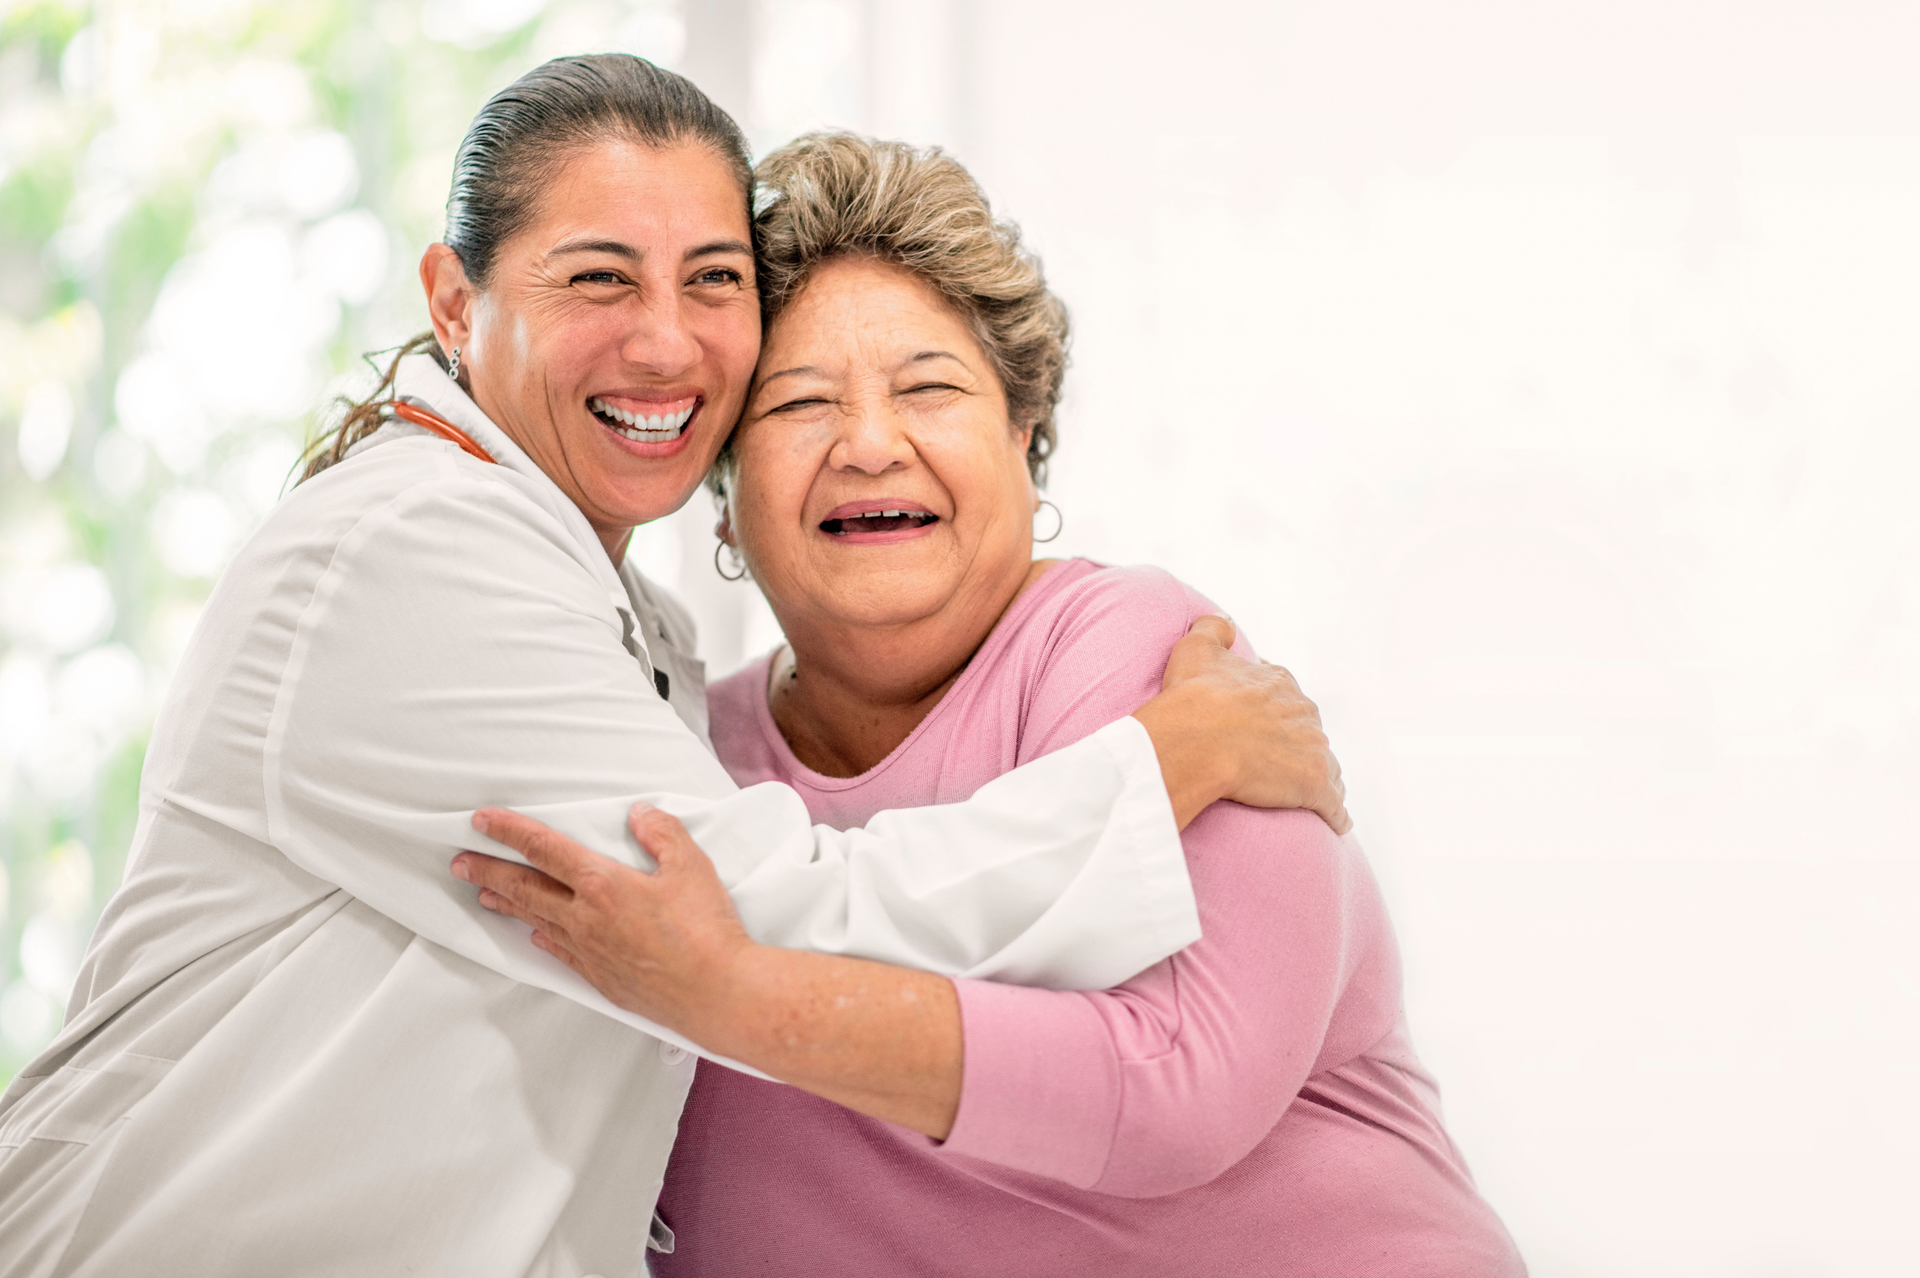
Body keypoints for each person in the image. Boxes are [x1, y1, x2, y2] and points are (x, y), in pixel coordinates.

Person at [0, 57, 1347, 1278]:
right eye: (599, 277)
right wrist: (1158, 767)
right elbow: (766, 922)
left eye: (711, 280)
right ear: (455, 301)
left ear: (1026, 427)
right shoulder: (414, 550)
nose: (663, 341)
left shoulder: (644, 629)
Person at [455, 134, 1526, 1276]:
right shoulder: (675, 752)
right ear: (721, 492)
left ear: (1024, 434)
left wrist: (736, 996)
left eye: (929, 389)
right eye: (798, 404)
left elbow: (1179, 1085)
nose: (871, 446)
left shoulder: (1148, 661)